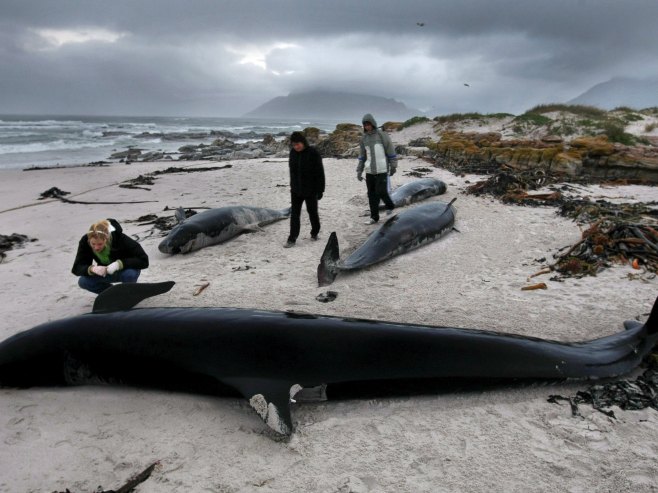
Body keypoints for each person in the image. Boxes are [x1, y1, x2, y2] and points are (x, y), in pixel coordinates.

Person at [72, 218, 149, 295]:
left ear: (107, 239)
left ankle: (128, 292)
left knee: (130, 274)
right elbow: (77, 267)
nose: (96, 247)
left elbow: (144, 260)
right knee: (83, 282)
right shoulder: (85, 241)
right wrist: (92, 269)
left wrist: (119, 264)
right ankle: (112, 294)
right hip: (106, 272)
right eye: (93, 244)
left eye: (100, 244)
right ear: (89, 240)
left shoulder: (121, 239)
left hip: (125, 270)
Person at [284, 131, 326, 248]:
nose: (296, 147)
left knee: (312, 212)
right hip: (296, 190)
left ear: (303, 142)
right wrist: (293, 185)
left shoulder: (313, 153)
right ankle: (292, 238)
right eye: (294, 145)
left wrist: (320, 190)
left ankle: (315, 232)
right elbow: (292, 171)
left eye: (298, 144)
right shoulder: (292, 153)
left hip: (311, 190)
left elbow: (320, 173)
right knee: (295, 214)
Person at [356, 113, 398, 224]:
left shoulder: (382, 135)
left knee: (381, 191)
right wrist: (359, 171)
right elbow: (362, 156)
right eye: (365, 125)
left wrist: (393, 166)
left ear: (373, 123)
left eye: (368, 124)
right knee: (371, 195)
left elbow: (390, 151)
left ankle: (390, 206)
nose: (367, 127)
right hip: (369, 171)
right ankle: (374, 217)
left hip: (382, 170)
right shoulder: (364, 138)